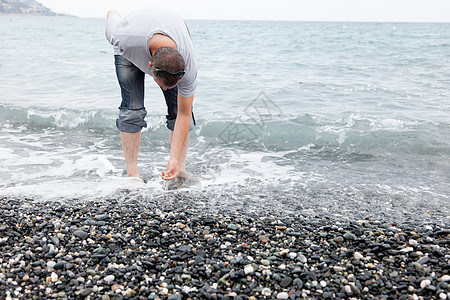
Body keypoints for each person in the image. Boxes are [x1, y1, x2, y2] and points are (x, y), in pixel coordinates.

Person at [105, 9, 197, 181]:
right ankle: (133, 175)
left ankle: (179, 169)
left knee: (179, 109)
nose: (166, 90)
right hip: (130, 48)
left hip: (170, 28)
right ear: (149, 66)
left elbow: (184, 114)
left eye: (172, 85)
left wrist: (174, 159)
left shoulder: (188, 64)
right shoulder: (122, 35)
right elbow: (111, 15)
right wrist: (113, 13)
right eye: (163, 86)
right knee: (132, 109)